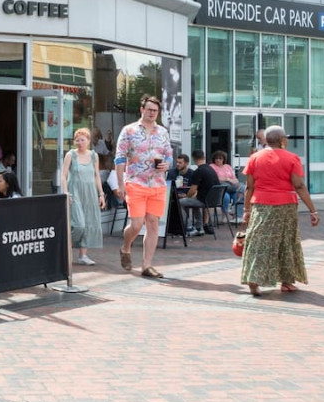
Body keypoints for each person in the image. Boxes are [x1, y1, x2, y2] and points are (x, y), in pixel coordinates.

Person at [240, 126, 320, 296]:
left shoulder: (255, 158)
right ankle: (286, 281)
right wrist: (313, 210)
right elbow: (299, 185)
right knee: (286, 241)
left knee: (259, 241)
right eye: (286, 138)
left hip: (260, 204)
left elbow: (249, 187)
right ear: (282, 140)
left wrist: (246, 210)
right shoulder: (292, 158)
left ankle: (254, 278)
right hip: (286, 205)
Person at [114, 95, 174, 278]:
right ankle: (126, 247)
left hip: (157, 184)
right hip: (135, 182)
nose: (152, 113)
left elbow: (169, 155)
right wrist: (120, 184)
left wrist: (167, 164)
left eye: (155, 110)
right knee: (137, 224)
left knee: (153, 223)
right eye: (149, 109)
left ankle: (147, 265)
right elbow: (120, 158)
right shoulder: (129, 130)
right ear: (142, 110)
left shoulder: (163, 132)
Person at [61, 128, 104, 265]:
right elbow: (63, 175)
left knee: (88, 223)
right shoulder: (71, 155)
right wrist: (66, 192)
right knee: (79, 225)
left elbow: (97, 176)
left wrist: (101, 194)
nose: (80, 142)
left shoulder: (94, 156)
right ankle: (64, 247)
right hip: (75, 192)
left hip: (90, 193)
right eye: (77, 140)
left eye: (82, 140)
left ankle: (83, 256)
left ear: (88, 141)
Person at [178, 150, 220, 236]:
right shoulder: (211, 169)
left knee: (179, 203)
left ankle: (189, 227)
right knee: (194, 201)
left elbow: (193, 190)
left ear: (193, 159)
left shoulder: (198, 171)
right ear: (204, 157)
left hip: (204, 201)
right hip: (215, 200)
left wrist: (186, 196)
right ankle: (199, 227)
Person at [210, 151, 246, 217]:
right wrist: (227, 179)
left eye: (220, 158)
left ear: (223, 159)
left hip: (231, 187)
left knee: (238, 193)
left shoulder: (228, 167)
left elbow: (235, 179)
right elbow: (215, 178)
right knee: (226, 197)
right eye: (216, 158)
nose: (218, 160)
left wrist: (234, 181)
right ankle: (225, 215)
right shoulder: (212, 167)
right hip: (220, 188)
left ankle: (236, 214)